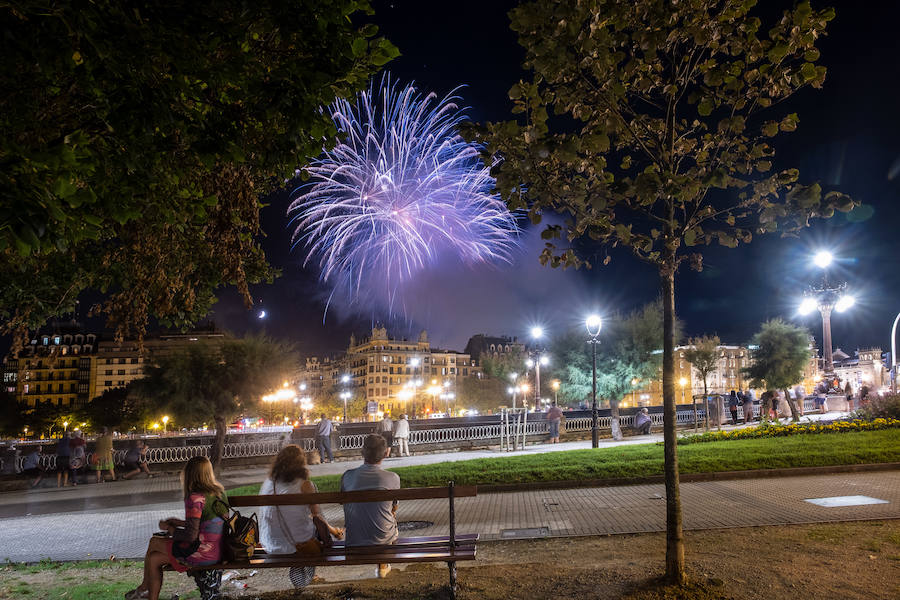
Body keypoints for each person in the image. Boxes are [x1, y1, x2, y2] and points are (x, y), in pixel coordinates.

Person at [125, 456, 227, 600]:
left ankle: (143, 589)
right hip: (216, 550)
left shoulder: (196, 497)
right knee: (154, 559)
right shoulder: (219, 493)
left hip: (201, 553)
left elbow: (190, 536)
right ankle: (147, 594)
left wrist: (170, 528)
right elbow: (206, 525)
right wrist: (178, 522)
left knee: (154, 541)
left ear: (189, 474)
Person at [259, 445, 344, 590]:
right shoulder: (305, 485)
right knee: (317, 529)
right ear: (301, 464)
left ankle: (301, 570)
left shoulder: (269, 483)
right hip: (296, 545)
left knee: (303, 523)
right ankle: (303, 571)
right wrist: (334, 531)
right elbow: (318, 517)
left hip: (270, 543)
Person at [341, 434, 400, 579]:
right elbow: (394, 507)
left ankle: (382, 565)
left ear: (362, 452)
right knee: (390, 517)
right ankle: (382, 565)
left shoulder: (347, 476)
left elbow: (342, 501)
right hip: (383, 541)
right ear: (386, 453)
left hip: (354, 541)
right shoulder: (392, 478)